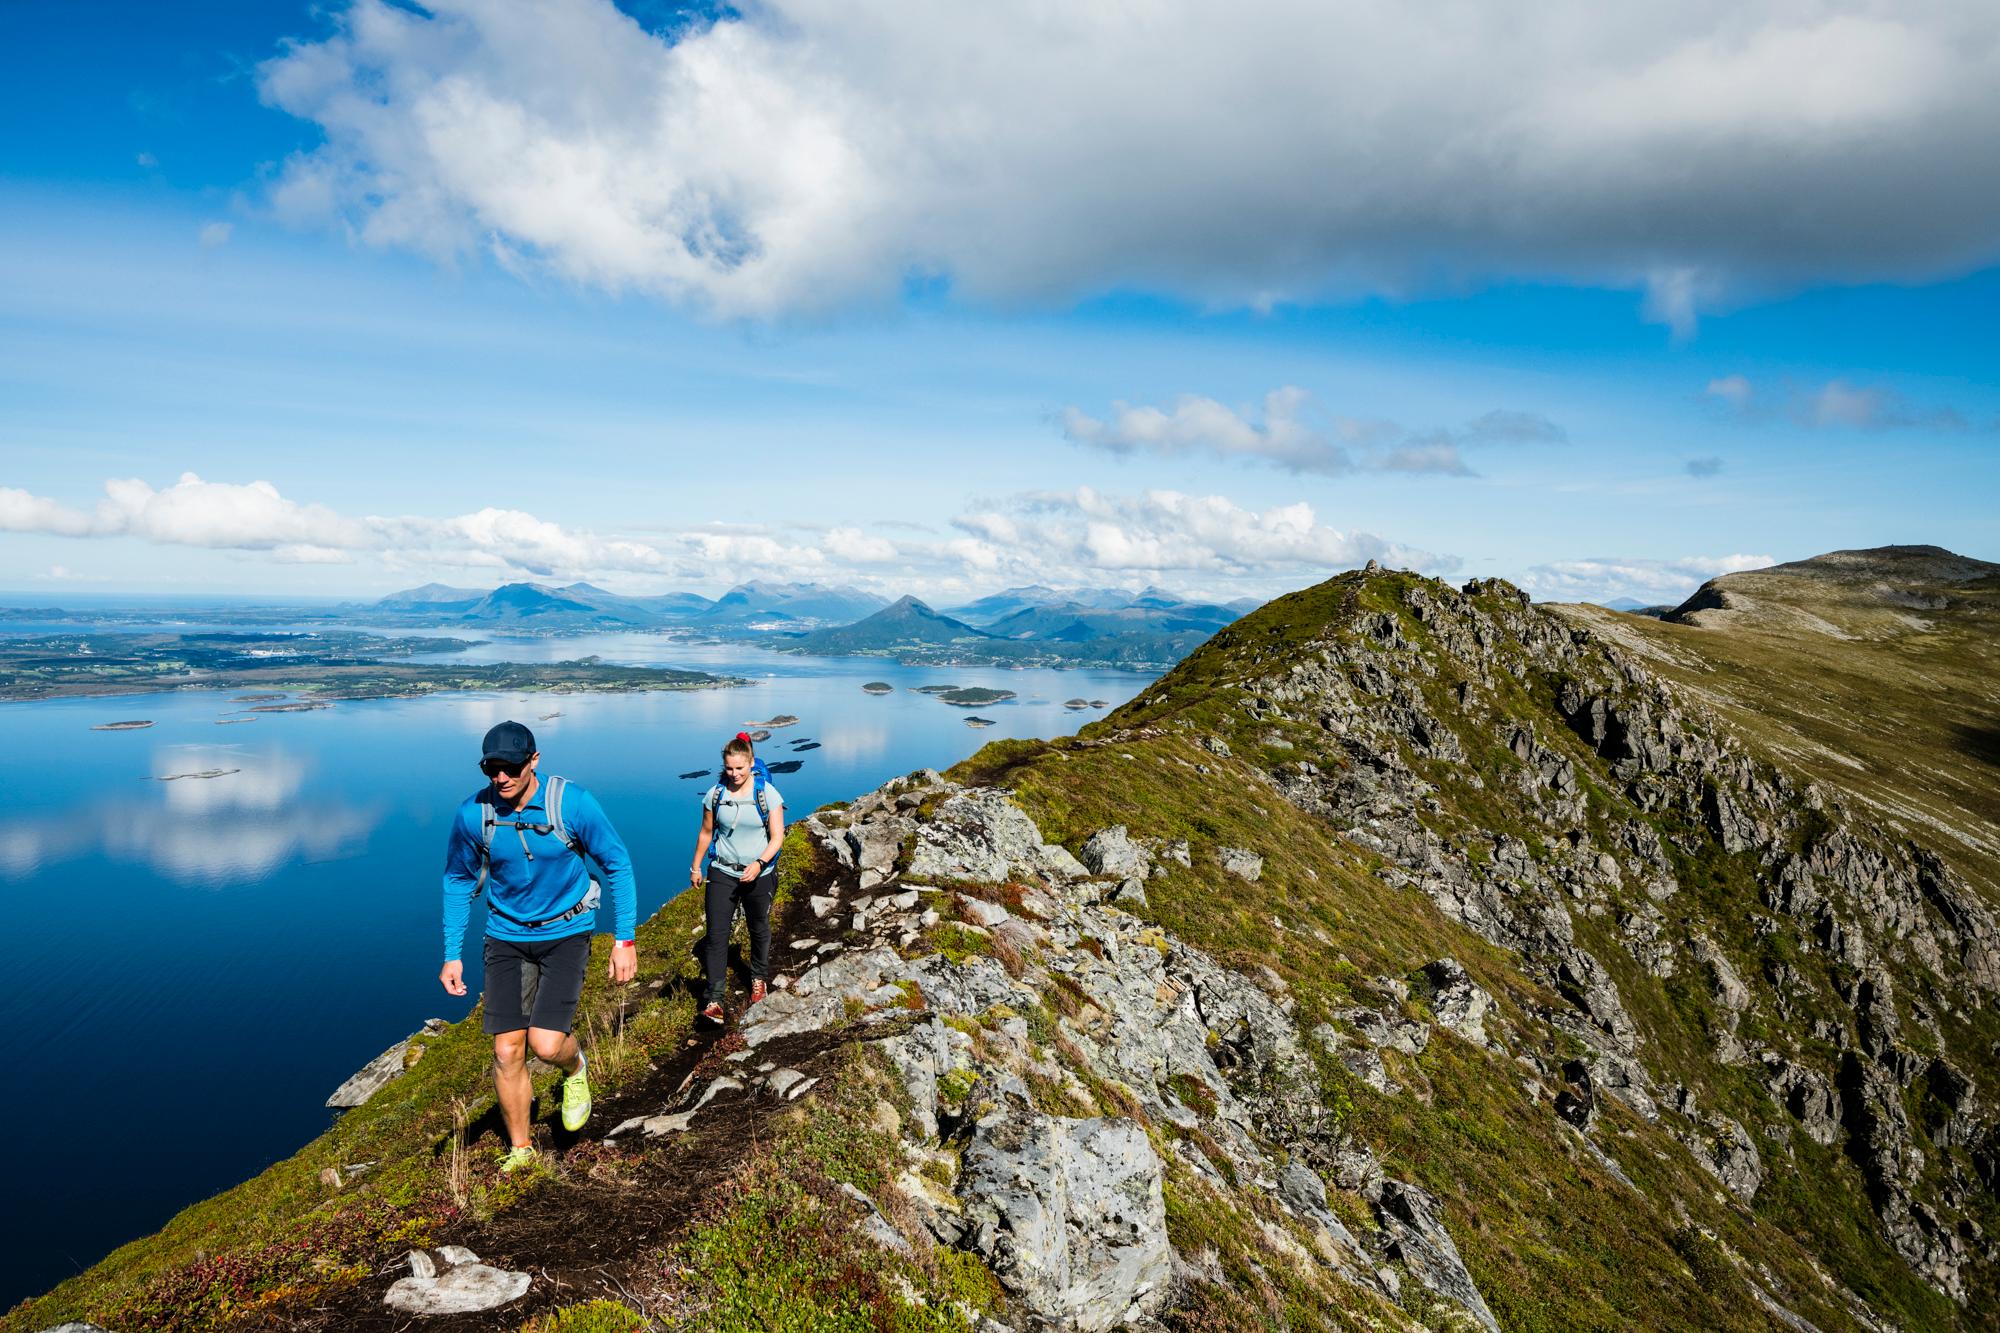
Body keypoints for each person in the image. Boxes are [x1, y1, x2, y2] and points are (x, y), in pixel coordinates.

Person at [440, 720, 637, 1172]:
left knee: (546, 1044)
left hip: (567, 931)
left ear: (534, 760)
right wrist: (452, 953)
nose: (500, 777)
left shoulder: (573, 803)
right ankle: (521, 1150)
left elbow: (617, 865)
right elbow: (456, 881)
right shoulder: (474, 814)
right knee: (507, 1049)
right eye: (491, 768)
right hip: (506, 936)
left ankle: (576, 1069)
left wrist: (624, 938)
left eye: (510, 766)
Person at [690, 732, 785, 1024]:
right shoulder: (715, 795)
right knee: (717, 936)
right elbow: (706, 833)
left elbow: (778, 836)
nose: (734, 774)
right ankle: (714, 1000)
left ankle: (758, 977)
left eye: (740, 768)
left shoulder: (767, 794)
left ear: (751, 763)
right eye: (730, 768)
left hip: (759, 873)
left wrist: (759, 863)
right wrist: (695, 866)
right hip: (722, 870)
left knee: (758, 927)